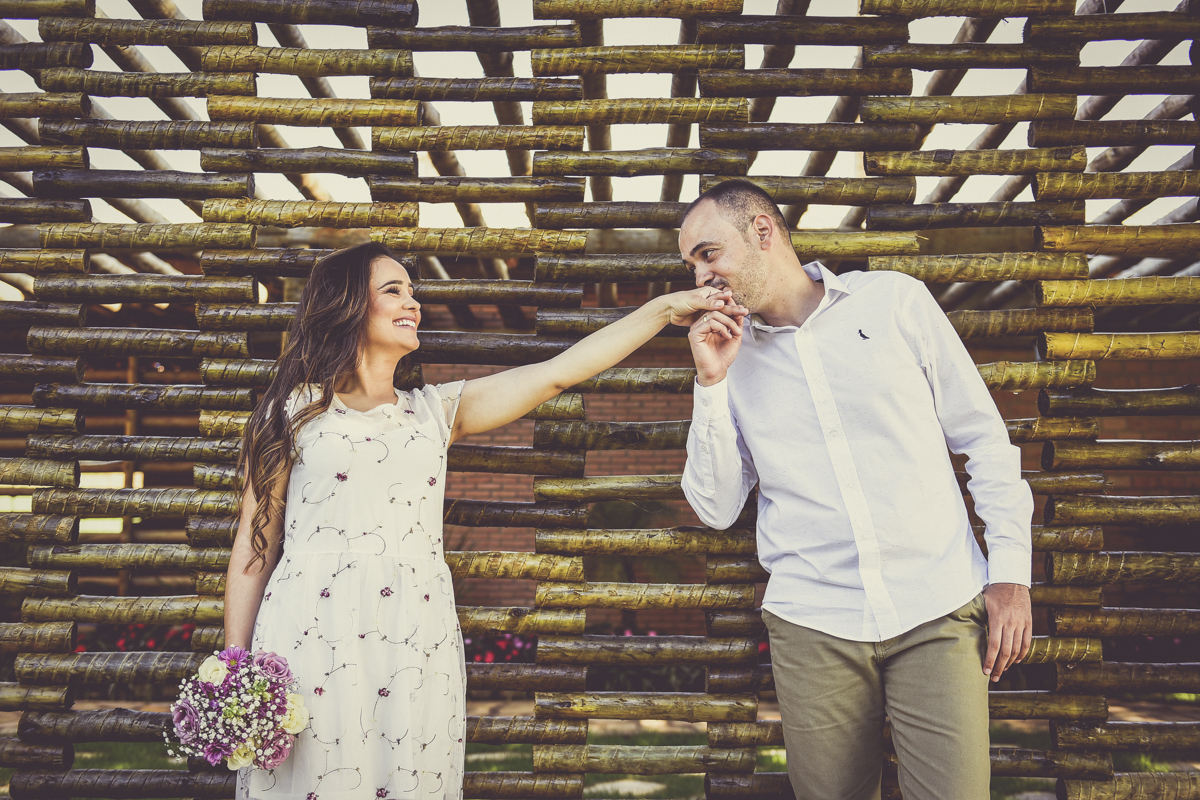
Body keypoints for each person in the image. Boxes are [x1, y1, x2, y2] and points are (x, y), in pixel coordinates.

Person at [225, 242, 743, 800]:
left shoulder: (435, 412)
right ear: (348, 305)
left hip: (413, 629)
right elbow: (254, 551)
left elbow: (557, 373)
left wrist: (664, 309)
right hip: (310, 627)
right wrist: (236, 675)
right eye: (394, 290)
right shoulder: (292, 412)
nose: (413, 302)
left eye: (414, 290)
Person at [678, 180, 1034, 800]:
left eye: (709, 254)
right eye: (692, 265)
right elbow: (715, 507)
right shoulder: (729, 358)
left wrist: (1010, 573)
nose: (702, 278)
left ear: (763, 232)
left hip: (938, 607)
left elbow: (984, 440)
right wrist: (711, 385)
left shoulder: (894, 302)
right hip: (813, 621)